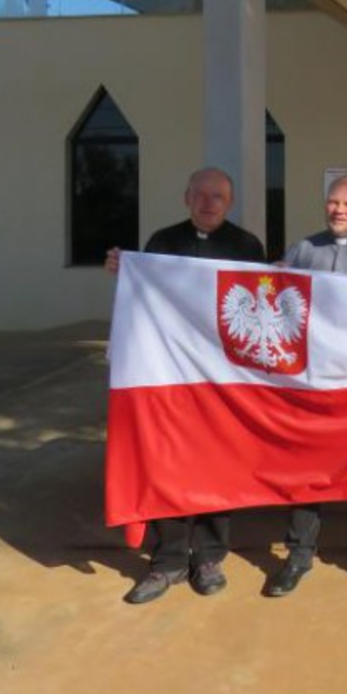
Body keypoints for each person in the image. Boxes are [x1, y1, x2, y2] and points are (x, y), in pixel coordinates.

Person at [106, 167, 266, 605]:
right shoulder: (162, 242)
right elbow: (144, 299)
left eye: (217, 196)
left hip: (223, 379)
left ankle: (210, 556)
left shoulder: (247, 246)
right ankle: (169, 559)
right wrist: (125, 271)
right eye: (200, 194)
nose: (208, 203)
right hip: (172, 375)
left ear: (230, 203)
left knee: (218, 464)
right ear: (186, 198)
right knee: (168, 462)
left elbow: (259, 306)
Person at [263, 175, 347, 598]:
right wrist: (272, 277)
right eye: (333, 202)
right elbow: (277, 303)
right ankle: (299, 554)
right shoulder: (303, 250)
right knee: (306, 467)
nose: (339, 210)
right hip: (312, 380)